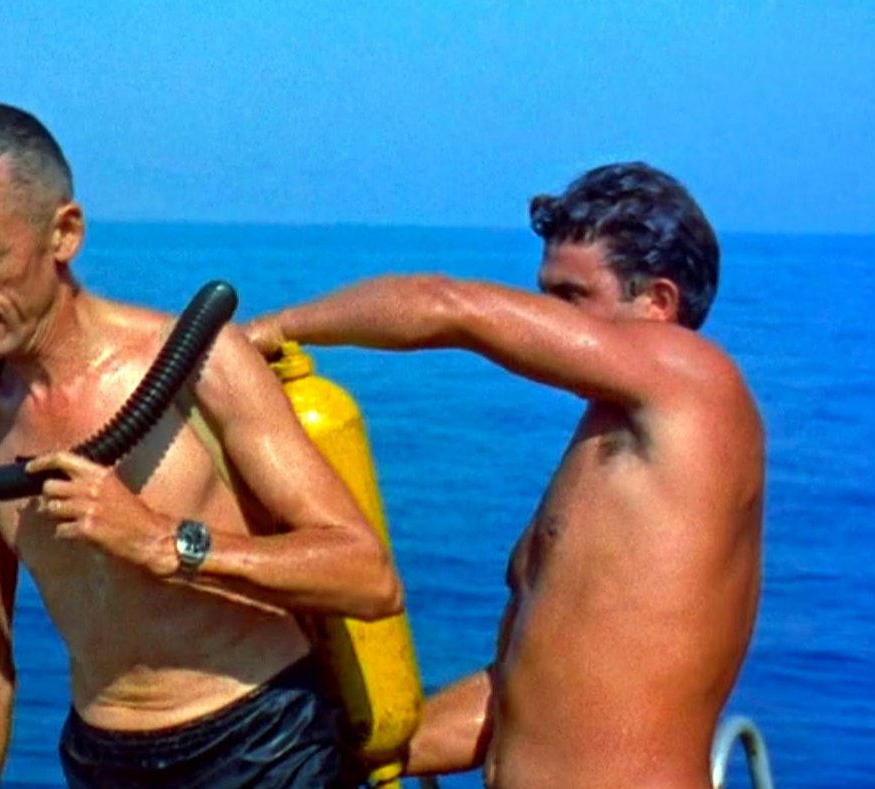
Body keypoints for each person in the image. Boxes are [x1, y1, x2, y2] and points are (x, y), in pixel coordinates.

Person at [0, 101, 403, 789]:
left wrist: (166, 543)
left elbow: (367, 577)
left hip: (261, 744)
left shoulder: (198, 362)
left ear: (63, 233)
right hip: (101, 759)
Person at [246, 162, 765, 789]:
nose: (544, 317)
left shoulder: (699, 382)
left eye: (571, 297)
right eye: (544, 294)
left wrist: (266, 333)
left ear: (658, 302)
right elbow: (524, 694)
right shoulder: (612, 447)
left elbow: (448, 307)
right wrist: (346, 758)